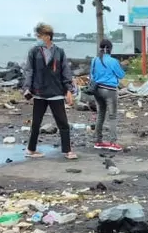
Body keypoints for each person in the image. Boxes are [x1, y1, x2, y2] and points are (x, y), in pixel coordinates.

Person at [22, 23, 78, 160]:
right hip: (39, 92)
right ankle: (31, 149)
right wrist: (26, 88)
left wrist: (69, 90)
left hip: (56, 92)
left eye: (39, 35)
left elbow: (65, 71)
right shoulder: (34, 51)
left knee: (63, 123)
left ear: (47, 36)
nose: (37, 38)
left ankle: (67, 150)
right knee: (36, 122)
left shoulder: (59, 52)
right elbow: (29, 70)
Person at [90, 39, 125, 151]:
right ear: (110, 49)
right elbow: (121, 75)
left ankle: (98, 141)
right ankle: (113, 143)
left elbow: (91, 75)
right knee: (112, 116)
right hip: (110, 90)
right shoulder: (113, 61)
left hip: (97, 90)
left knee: (100, 114)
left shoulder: (94, 60)